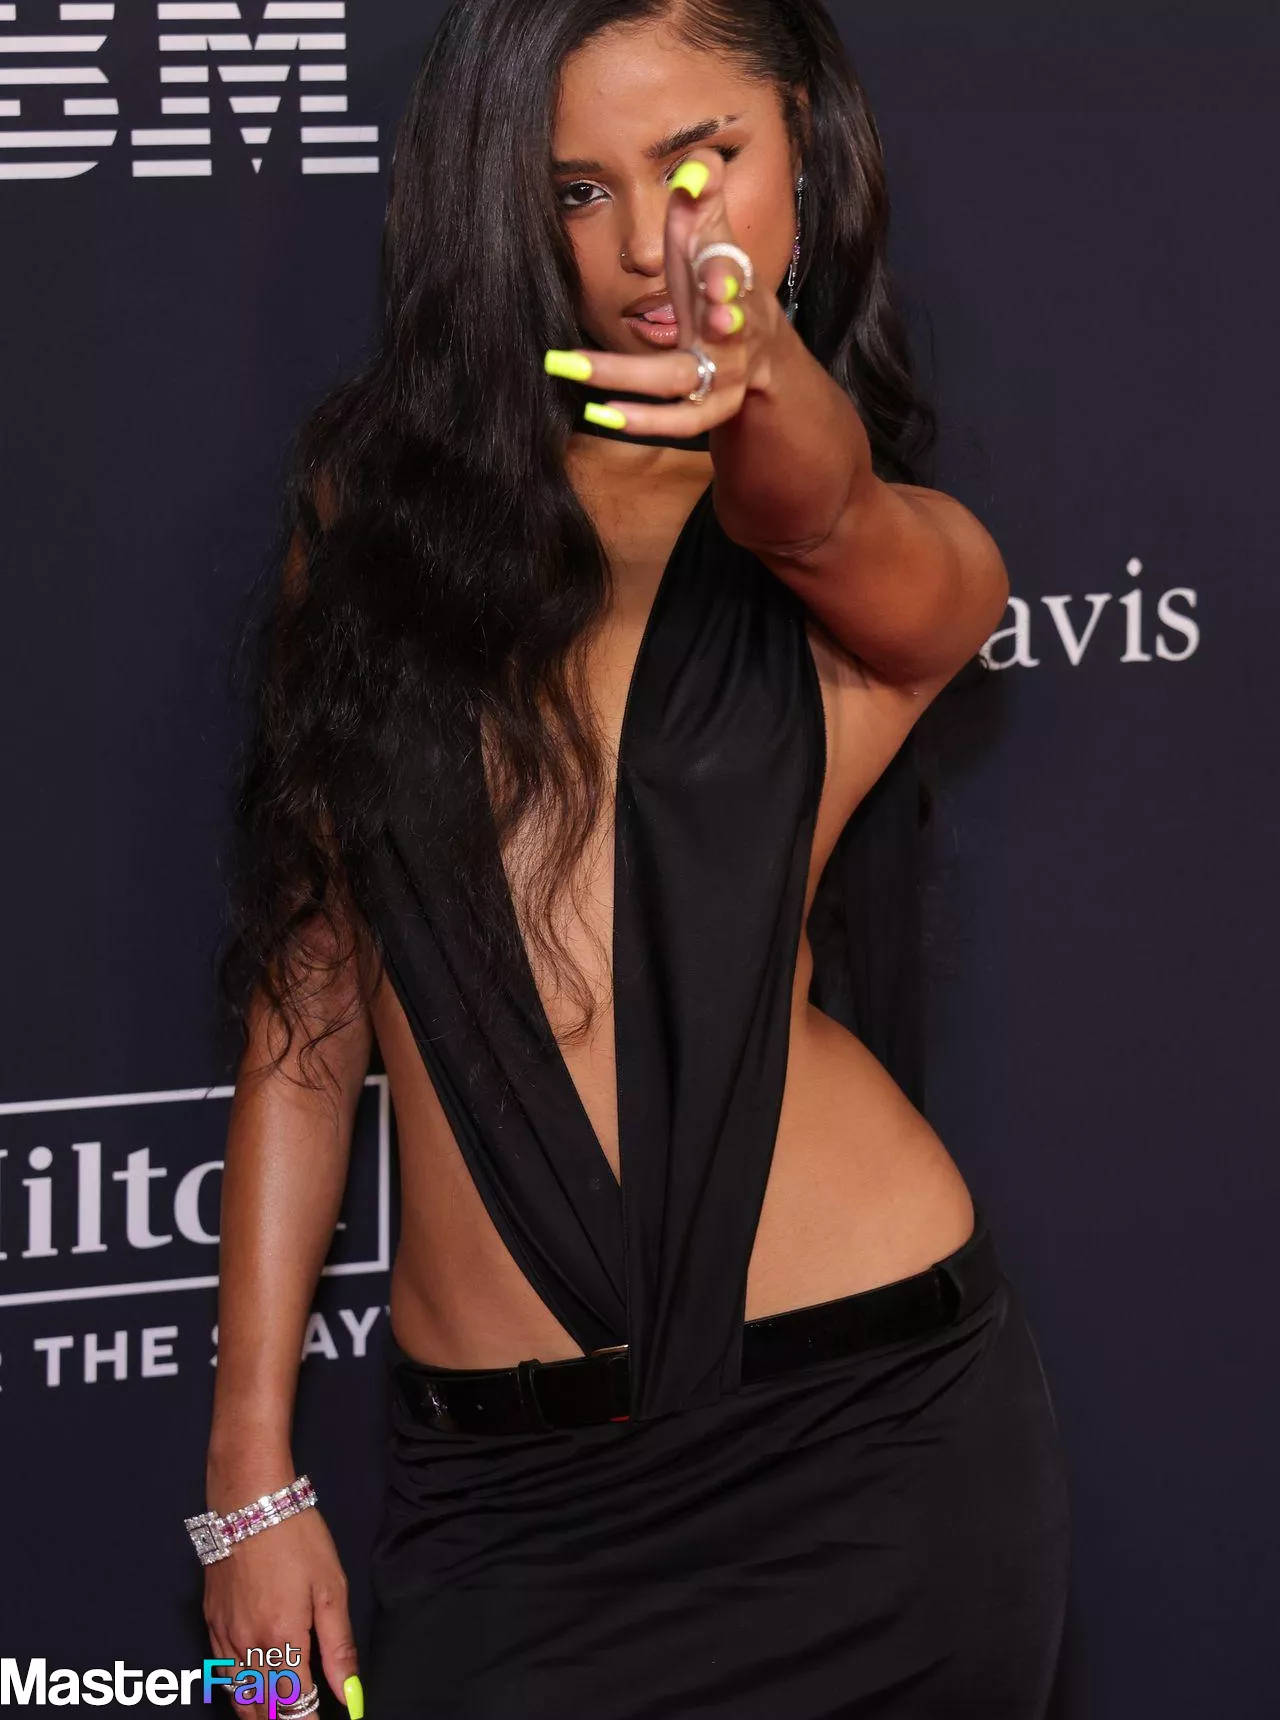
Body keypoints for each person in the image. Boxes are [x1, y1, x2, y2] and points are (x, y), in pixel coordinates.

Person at [200, 1, 1071, 1716]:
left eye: (702, 163)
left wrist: (766, 385)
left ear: (805, 152)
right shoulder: (369, 523)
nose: (650, 244)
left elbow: (826, 514)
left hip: (871, 1455)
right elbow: (311, 994)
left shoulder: (885, 559)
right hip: (501, 1512)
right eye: (578, 191)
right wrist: (250, 1473)